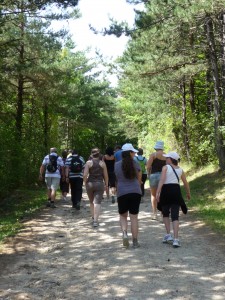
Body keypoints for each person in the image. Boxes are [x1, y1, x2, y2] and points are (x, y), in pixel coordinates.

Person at [156, 152, 191, 248]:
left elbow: (162, 181)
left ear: (171, 159)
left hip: (166, 192)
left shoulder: (165, 168)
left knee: (165, 213)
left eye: (167, 158)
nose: (166, 159)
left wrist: (158, 192)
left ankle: (168, 235)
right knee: (175, 216)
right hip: (176, 191)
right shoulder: (180, 170)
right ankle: (176, 239)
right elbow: (185, 182)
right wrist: (188, 193)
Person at [114, 143, 142, 248]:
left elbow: (117, 179)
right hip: (135, 191)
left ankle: (125, 233)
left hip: (122, 192)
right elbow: (139, 179)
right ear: (129, 153)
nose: (134, 154)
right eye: (133, 152)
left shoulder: (117, 165)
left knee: (123, 216)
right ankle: (135, 241)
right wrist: (137, 187)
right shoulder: (136, 164)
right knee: (134, 217)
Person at [83, 148, 108, 227]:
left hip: (90, 184)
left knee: (91, 202)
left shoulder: (88, 163)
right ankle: (95, 221)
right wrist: (106, 184)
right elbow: (106, 176)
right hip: (99, 184)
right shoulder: (102, 163)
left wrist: (85, 181)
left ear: (91, 154)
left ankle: (93, 217)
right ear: (99, 154)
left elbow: (85, 174)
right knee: (97, 202)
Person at [146, 141, 166, 219]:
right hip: (163, 176)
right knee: (162, 194)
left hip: (154, 175)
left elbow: (147, 166)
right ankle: (162, 213)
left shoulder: (153, 155)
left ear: (156, 148)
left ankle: (154, 213)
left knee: (153, 195)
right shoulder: (166, 155)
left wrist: (148, 172)